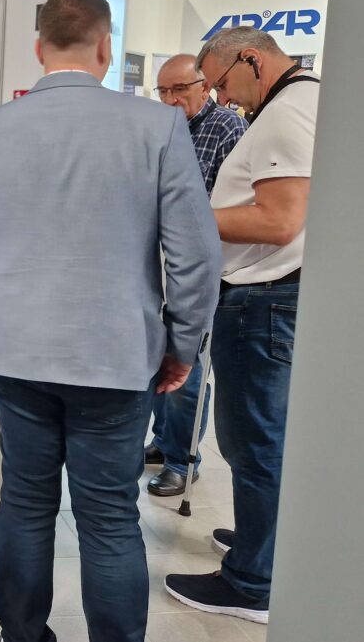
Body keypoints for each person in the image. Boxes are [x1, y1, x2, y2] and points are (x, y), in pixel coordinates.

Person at [0, 0, 221, 642]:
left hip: (17, 353)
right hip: (115, 354)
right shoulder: (157, 126)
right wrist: (182, 344)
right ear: (106, 47)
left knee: (24, 501)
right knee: (109, 517)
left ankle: (23, 635)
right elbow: (195, 254)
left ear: (39, 48)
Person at [165, 28, 319, 625]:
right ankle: (265, 546)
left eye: (222, 84)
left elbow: (278, 221)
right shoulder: (301, 99)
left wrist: (186, 217)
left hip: (263, 301)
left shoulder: (284, 114)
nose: (223, 99)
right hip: (274, 298)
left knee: (254, 444)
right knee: (265, 439)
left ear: (251, 59)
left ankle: (253, 583)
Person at [145, 54, 249, 497]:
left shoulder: (227, 128)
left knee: (187, 367)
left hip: (201, 269)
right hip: (159, 264)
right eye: (163, 91)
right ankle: (163, 440)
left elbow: (235, 202)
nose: (170, 99)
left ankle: (181, 461)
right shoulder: (159, 129)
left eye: (180, 89)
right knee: (159, 361)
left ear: (204, 87)